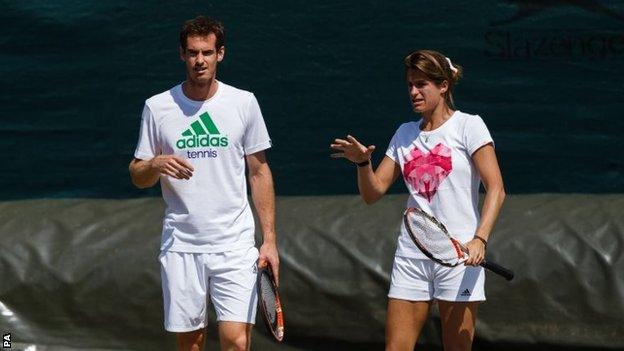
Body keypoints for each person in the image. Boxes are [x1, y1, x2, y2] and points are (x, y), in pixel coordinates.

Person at [330, 49, 505, 350]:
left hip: (459, 256)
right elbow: (373, 193)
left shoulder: (469, 126)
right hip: (412, 255)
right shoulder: (404, 133)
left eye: (422, 84)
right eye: (410, 84)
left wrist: (480, 239)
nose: (413, 92)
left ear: (444, 86)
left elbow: (497, 189)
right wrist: (362, 164)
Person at [129, 16, 279, 351]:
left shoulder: (244, 103)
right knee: (192, 345)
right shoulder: (157, 107)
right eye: (193, 52)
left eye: (207, 52)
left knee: (236, 341)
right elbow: (138, 176)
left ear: (220, 54)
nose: (200, 60)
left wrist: (268, 241)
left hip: (235, 244)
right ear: (182, 55)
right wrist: (154, 163)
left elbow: (259, 172)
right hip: (182, 245)